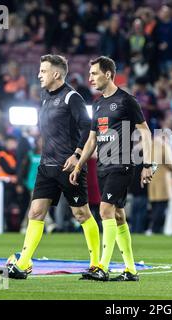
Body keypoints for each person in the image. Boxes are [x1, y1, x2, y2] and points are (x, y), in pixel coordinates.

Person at [0, 54, 99, 279]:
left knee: (81, 214)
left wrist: (77, 156)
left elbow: (88, 128)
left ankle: (96, 265)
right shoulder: (44, 96)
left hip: (68, 166)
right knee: (35, 212)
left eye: (43, 71)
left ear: (56, 74)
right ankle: (24, 264)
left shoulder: (72, 98)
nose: (38, 75)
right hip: (46, 166)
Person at [70, 56, 153, 281]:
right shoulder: (97, 104)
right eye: (90, 74)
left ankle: (102, 267)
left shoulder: (127, 100)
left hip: (122, 164)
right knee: (117, 216)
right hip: (103, 166)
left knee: (105, 210)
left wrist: (148, 164)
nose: (91, 78)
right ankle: (131, 270)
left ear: (108, 74)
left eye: (95, 73)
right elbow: (91, 140)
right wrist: (79, 164)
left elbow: (145, 131)